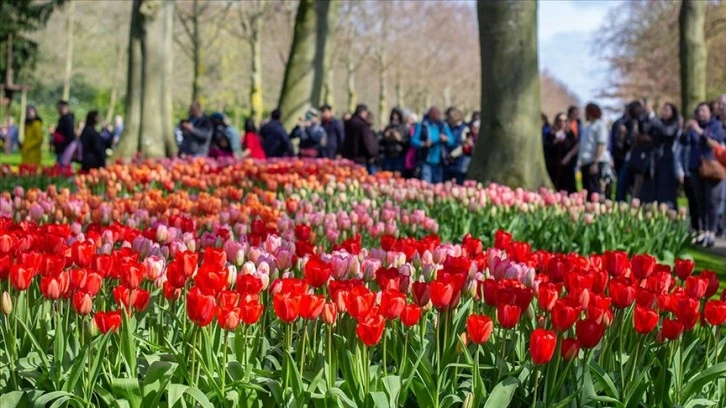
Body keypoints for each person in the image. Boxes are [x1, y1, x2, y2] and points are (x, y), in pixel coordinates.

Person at [683, 102, 725, 247]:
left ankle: (712, 232)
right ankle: (704, 230)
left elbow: (716, 141)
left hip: (712, 167)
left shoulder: (715, 125)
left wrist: (699, 130)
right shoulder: (693, 126)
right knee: (700, 200)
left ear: (710, 112)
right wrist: (686, 130)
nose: (701, 113)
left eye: (704, 110)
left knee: (712, 200)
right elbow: (684, 142)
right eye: (698, 111)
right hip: (696, 167)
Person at [411, 106, 455, 184]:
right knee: (426, 183)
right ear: (430, 114)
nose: (438, 115)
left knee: (438, 184)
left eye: (439, 114)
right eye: (436, 113)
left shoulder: (443, 126)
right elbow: (413, 140)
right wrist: (423, 144)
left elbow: (452, 140)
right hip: (426, 160)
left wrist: (446, 139)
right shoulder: (422, 125)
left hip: (439, 161)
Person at [650, 103, 681, 209]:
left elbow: (667, 132)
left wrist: (652, 116)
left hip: (668, 160)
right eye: (663, 109)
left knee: (667, 189)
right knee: (658, 190)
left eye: (667, 110)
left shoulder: (675, 123)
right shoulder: (658, 123)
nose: (663, 112)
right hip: (657, 160)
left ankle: (670, 210)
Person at [577, 103, 610, 201]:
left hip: (594, 162)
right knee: (587, 190)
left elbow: (601, 144)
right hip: (586, 162)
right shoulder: (589, 126)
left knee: (594, 189)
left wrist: (595, 162)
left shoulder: (600, 125)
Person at [544, 112, 578, 193]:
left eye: (565, 121)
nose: (562, 123)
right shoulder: (551, 134)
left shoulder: (570, 134)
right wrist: (556, 140)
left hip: (567, 167)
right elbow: (548, 148)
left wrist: (568, 157)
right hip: (554, 167)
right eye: (560, 120)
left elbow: (574, 146)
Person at [342, 104, 379, 174]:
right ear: (363, 112)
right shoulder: (362, 125)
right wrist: (372, 154)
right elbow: (367, 142)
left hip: (347, 157)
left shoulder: (348, 123)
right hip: (360, 158)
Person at [381, 107, 410, 174]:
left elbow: (407, 142)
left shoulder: (404, 128)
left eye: (396, 115)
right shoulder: (388, 127)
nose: (395, 117)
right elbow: (381, 142)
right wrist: (386, 136)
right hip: (388, 155)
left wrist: (399, 139)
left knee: (398, 175)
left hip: (399, 155)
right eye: (393, 115)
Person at [444, 107, 469, 184]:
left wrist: (452, 155)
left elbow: (464, 145)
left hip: (459, 161)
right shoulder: (448, 128)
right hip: (448, 161)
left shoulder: (464, 129)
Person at [52, 100, 75, 165]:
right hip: (60, 148)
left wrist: (59, 138)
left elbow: (70, 136)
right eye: (58, 108)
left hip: (65, 149)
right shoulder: (62, 119)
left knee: (65, 168)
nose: (59, 110)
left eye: (61, 108)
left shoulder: (68, 120)